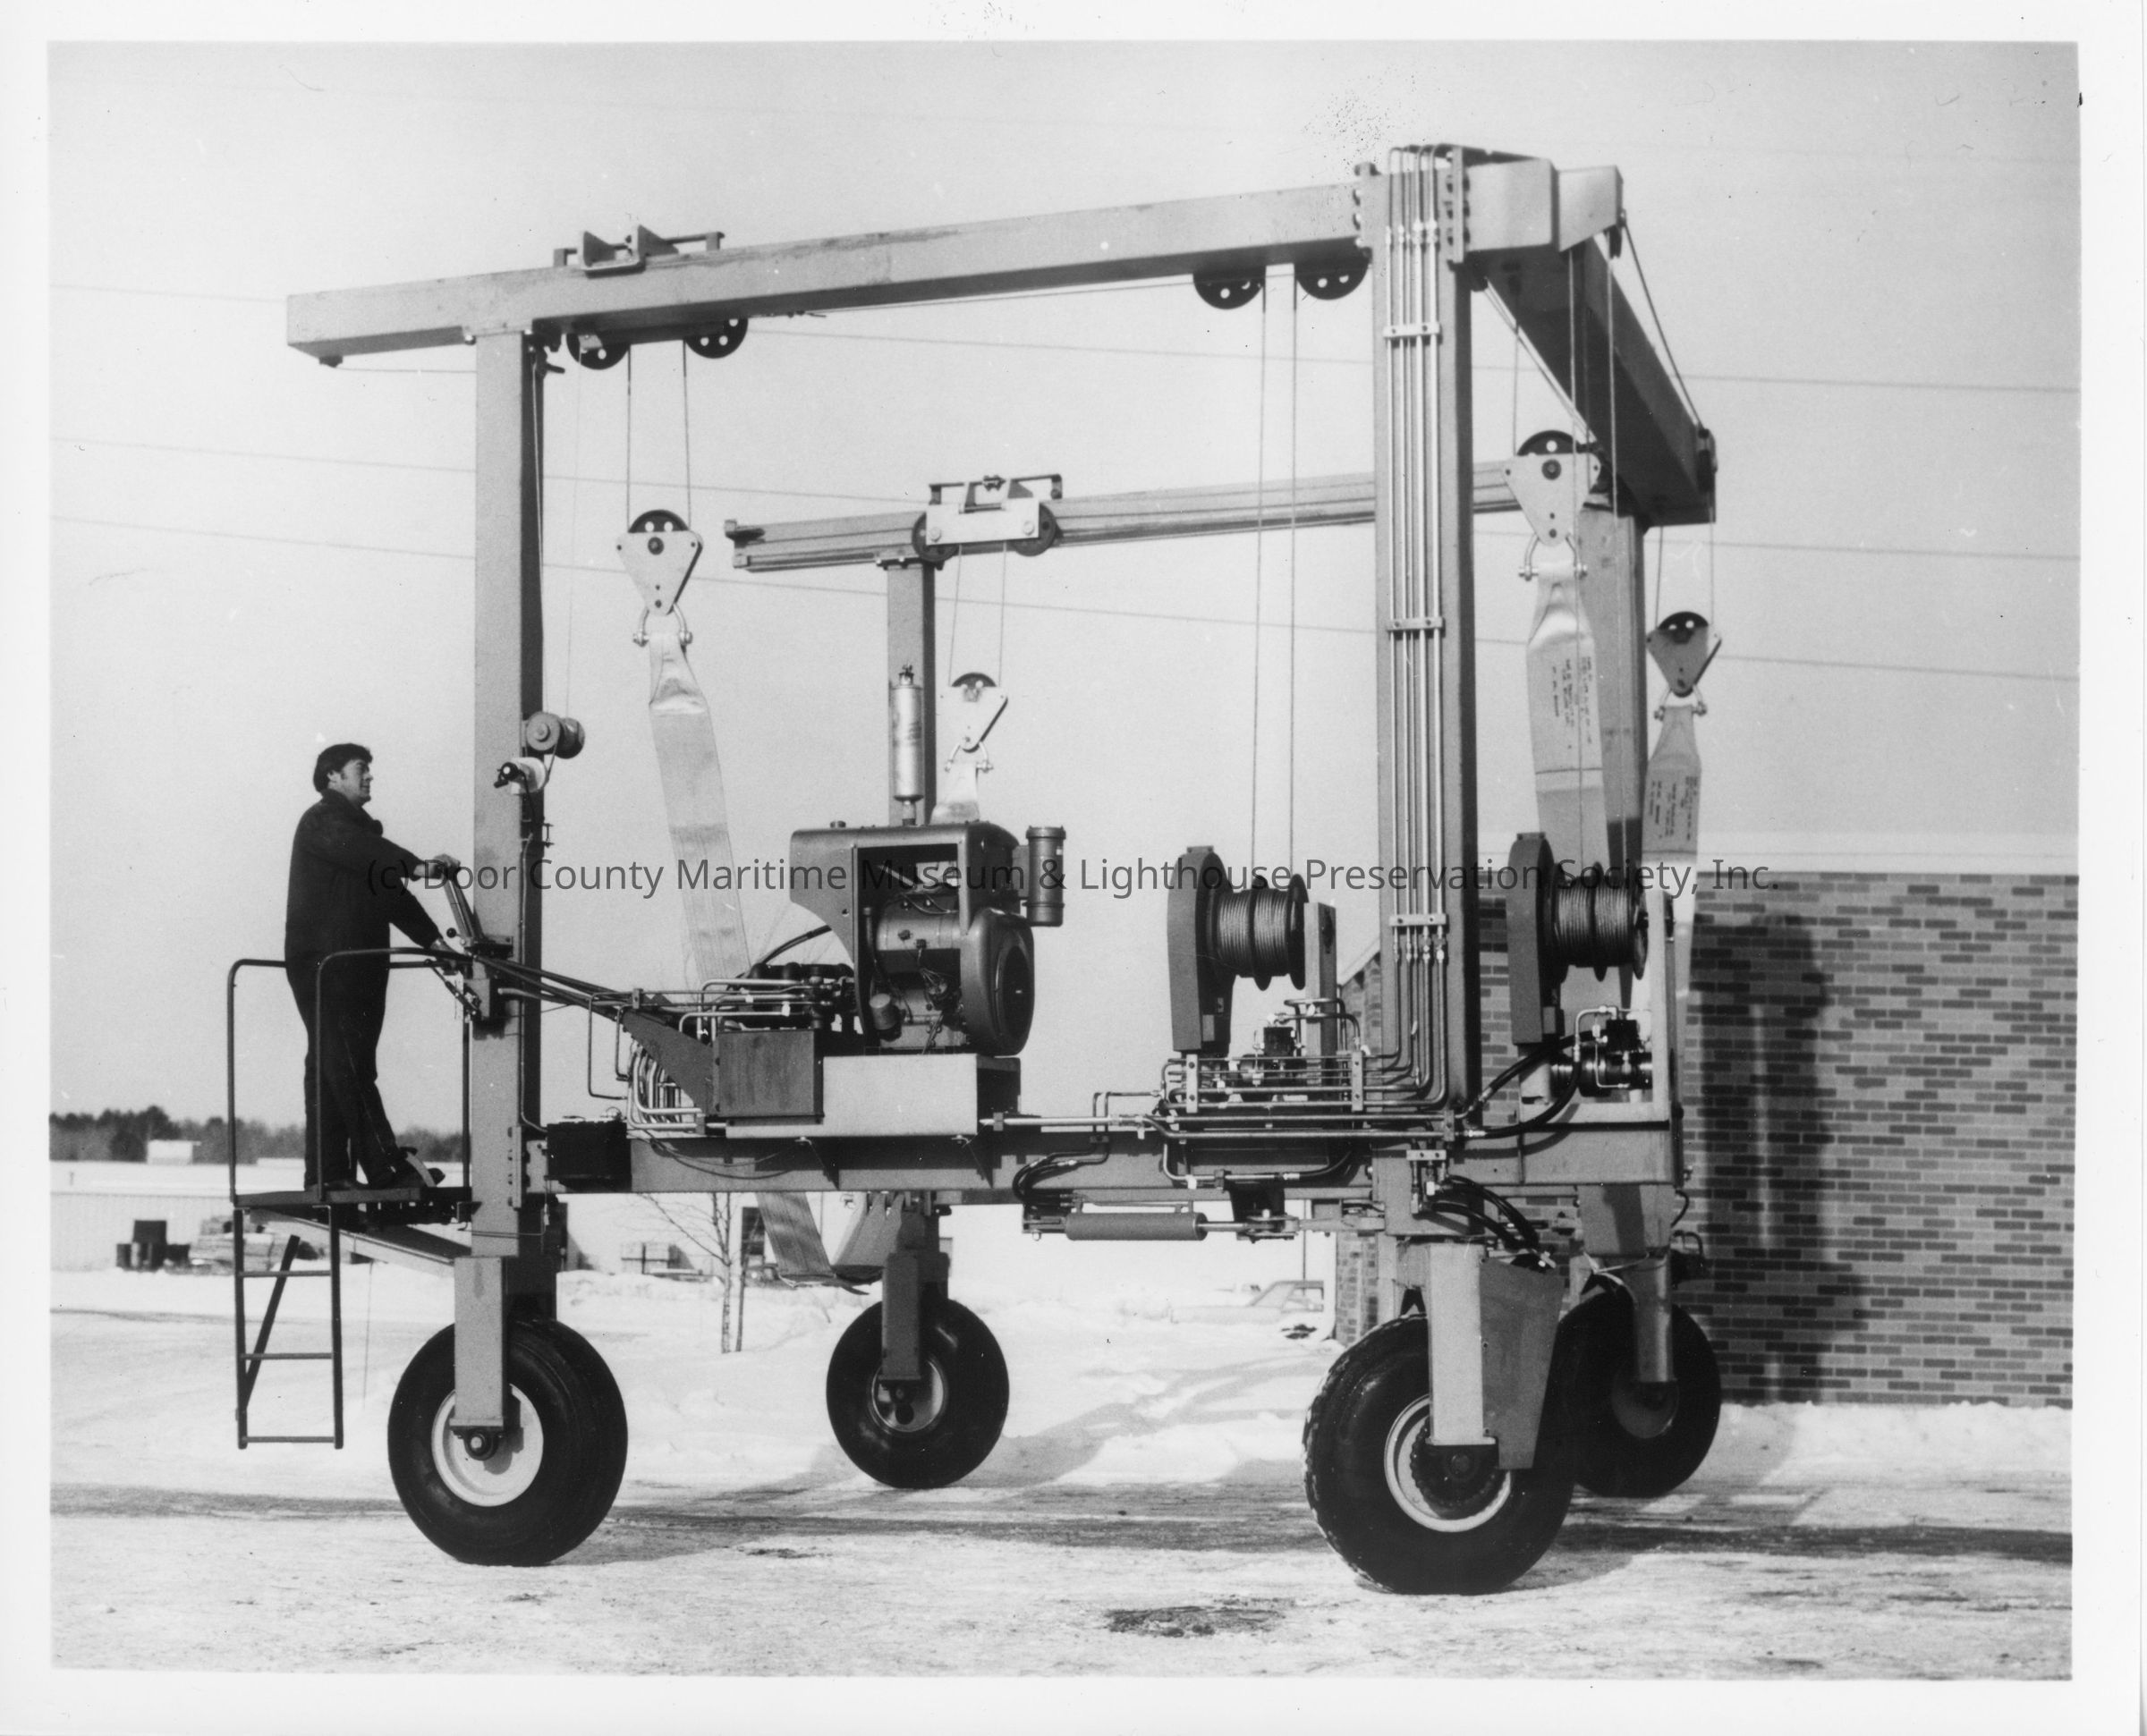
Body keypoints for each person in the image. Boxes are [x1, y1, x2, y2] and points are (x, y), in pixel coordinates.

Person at [284, 743, 456, 1193]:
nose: (369, 776)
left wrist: (435, 942)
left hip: (356, 965)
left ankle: (328, 1175)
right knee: (349, 1063)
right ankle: (385, 1167)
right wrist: (418, 866)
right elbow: (368, 853)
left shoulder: (361, 838)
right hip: (329, 966)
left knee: (334, 1065)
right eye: (360, 768)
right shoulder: (323, 821)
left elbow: (390, 894)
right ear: (332, 777)